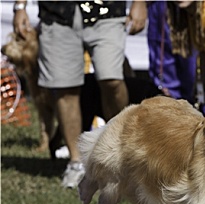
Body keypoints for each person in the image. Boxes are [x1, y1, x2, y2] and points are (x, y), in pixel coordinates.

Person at [12, 0, 146, 188]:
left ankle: (120, 157)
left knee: (112, 79)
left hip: (107, 10)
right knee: (65, 87)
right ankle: (77, 163)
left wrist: (140, 3)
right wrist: (20, 7)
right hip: (57, 11)